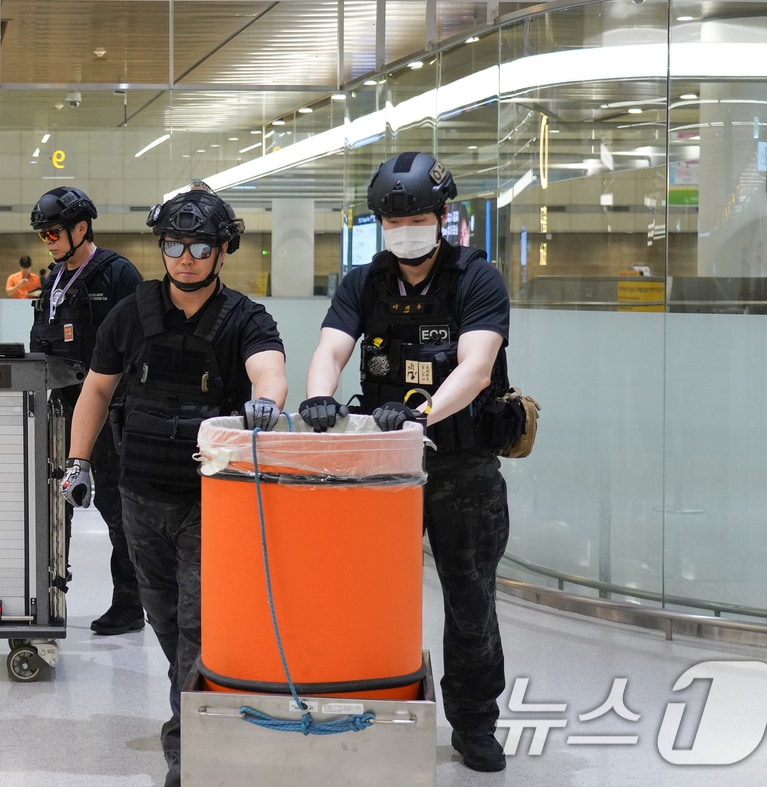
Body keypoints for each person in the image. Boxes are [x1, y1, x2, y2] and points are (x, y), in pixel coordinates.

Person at [59, 182, 286, 786]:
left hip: (211, 499)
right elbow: (98, 390)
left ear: (222, 249)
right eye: (175, 244)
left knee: (197, 625)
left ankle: (189, 749)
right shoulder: (130, 313)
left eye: (199, 246)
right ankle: (198, 707)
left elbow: (270, 372)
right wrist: (78, 462)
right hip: (138, 494)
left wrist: (266, 404)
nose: (185, 257)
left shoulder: (244, 318)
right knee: (163, 618)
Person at [301, 151, 511, 773]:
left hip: (461, 471)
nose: (405, 229)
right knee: (365, 595)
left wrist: (422, 417)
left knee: (470, 602)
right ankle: (363, 706)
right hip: (383, 471)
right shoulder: (364, 282)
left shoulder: (476, 277)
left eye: (417, 215)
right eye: (393, 220)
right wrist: (318, 395)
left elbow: (475, 368)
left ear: (442, 217)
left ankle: (474, 723)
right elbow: (331, 348)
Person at [28, 186, 145, 636]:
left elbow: (136, 346)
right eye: (43, 235)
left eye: (55, 232)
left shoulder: (117, 275)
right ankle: (51, 594)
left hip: (109, 407)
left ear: (82, 228)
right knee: (57, 504)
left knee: (117, 507)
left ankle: (130, 605)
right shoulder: (54, 279)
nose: (50, 241)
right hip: (59, 406)